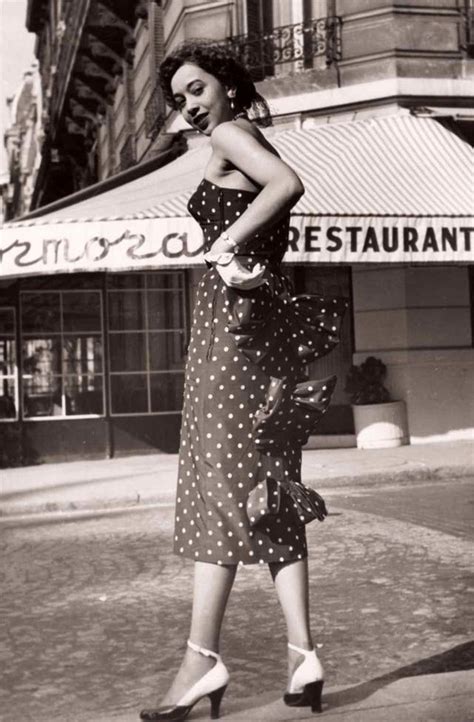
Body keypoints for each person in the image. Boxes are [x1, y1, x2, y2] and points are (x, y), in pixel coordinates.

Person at [140, 41, 340, 721]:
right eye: (180, 98)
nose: (189, 106)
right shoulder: (236, 132)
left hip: (234, 332)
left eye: (197, 89)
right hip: (261, 327)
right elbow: (277, 191)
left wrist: (224, 243)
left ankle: (200, 659)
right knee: (266, 489)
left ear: (226, 84)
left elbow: (285, 184)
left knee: (218, 492)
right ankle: (302, 654)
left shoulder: (230, 132)